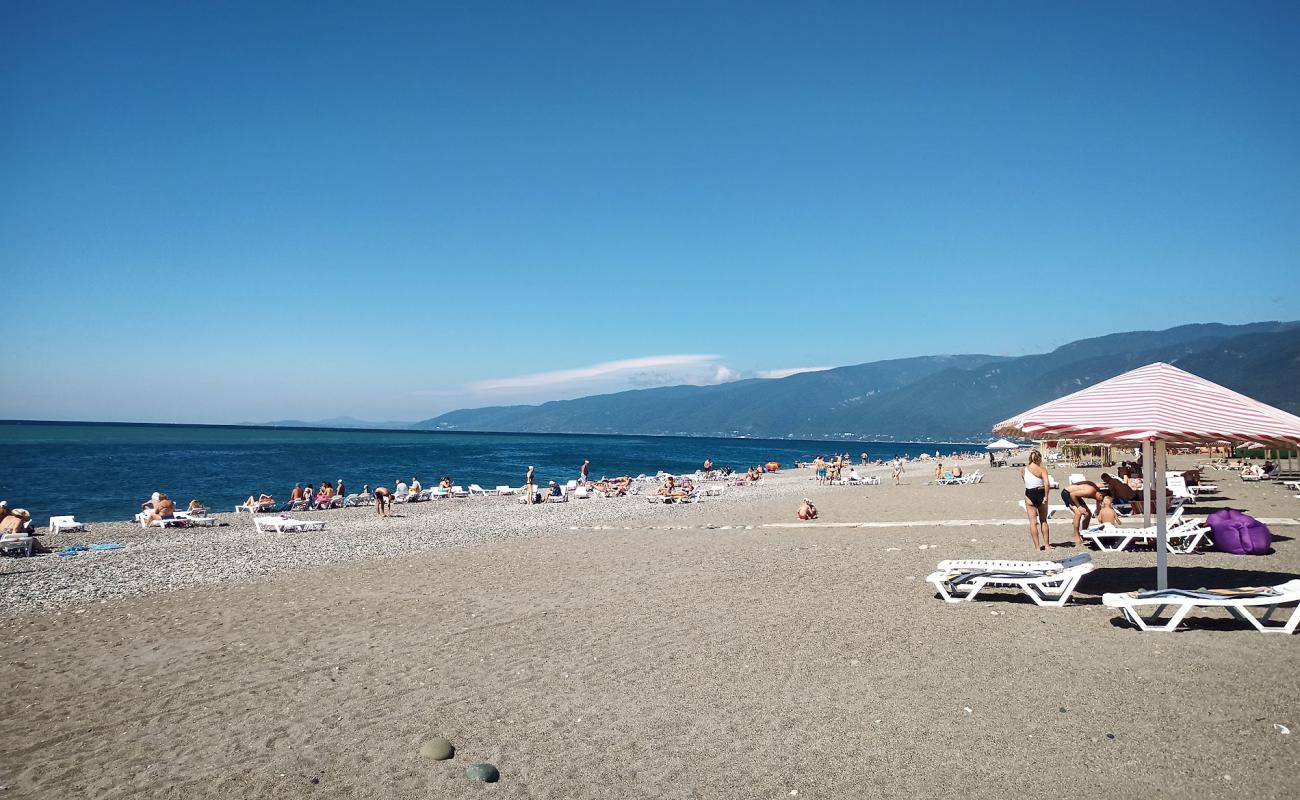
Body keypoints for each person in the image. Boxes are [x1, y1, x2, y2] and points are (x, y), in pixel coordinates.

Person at [1022, 449, 1051, 551]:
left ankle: (1037, 547)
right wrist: (1046, 496)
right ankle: (1047, 545)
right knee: (1043, 520)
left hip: (1029, 495)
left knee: (1032, 522)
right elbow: (1047, 484)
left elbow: (1026, 482)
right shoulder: (1042, 470)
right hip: (1041, 493)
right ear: (1039, 459)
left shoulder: (1023, 470)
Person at [1061, 479, 1103, 545]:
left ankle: (1084, 534)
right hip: (1068, 493)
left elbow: (1098, 510)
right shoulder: (1091, 491)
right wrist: (1079, 507)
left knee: (1088, 514)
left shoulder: (1096, 493)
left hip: (1076, 495)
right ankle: (1076, 535)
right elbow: (1072, 494)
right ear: (1100, 494)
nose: (1101, 501)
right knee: (1078, 513)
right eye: (1101, 500)